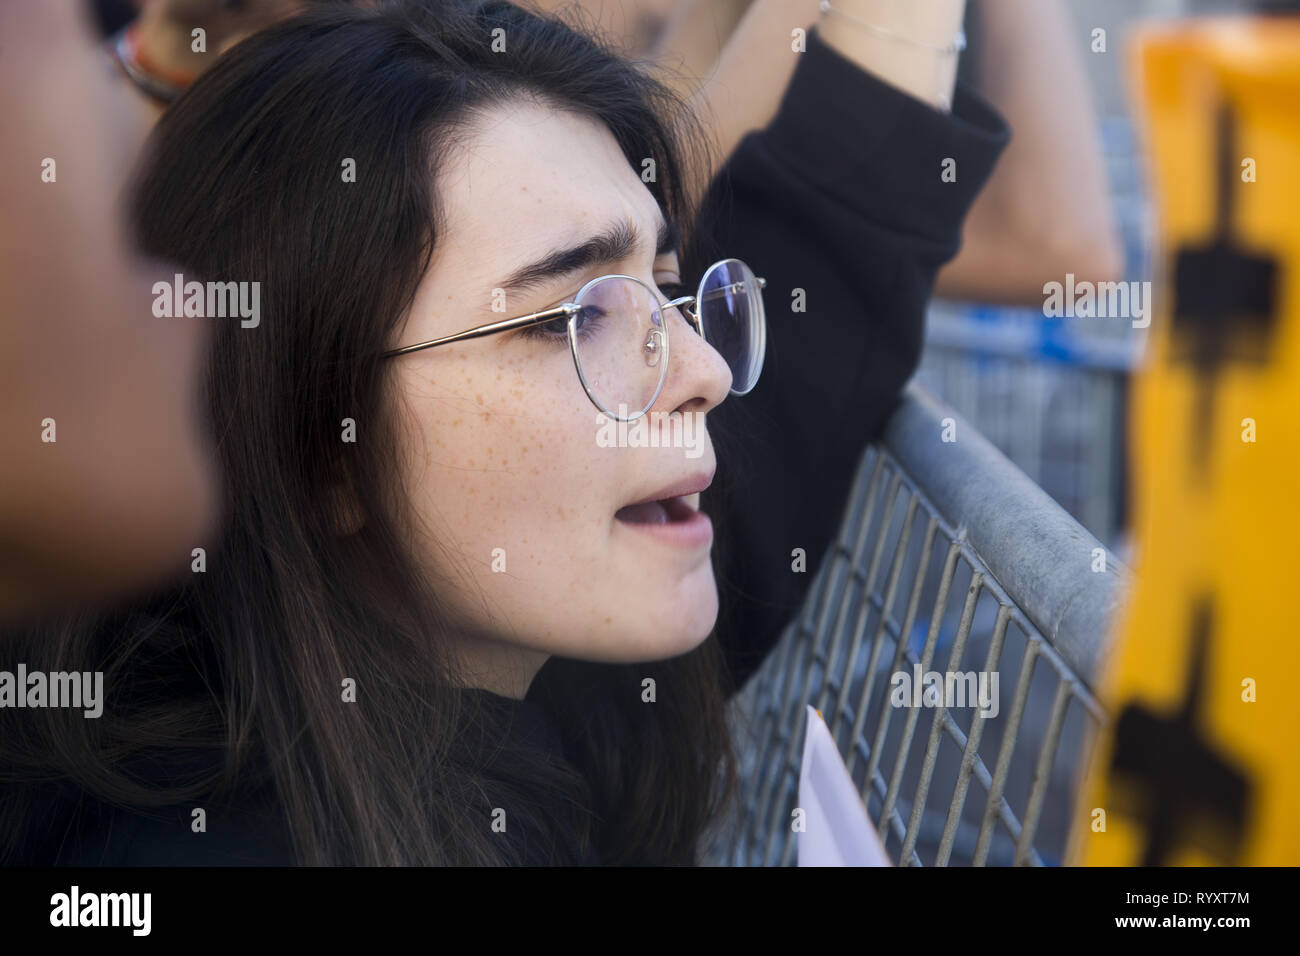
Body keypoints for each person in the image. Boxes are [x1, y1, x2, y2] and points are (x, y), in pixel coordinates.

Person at [0, 0, 1006, 865]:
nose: (702, 369)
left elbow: (829, 228)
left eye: (666, 289)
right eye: (576, 317)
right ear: (321, 441)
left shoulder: (546, 665)